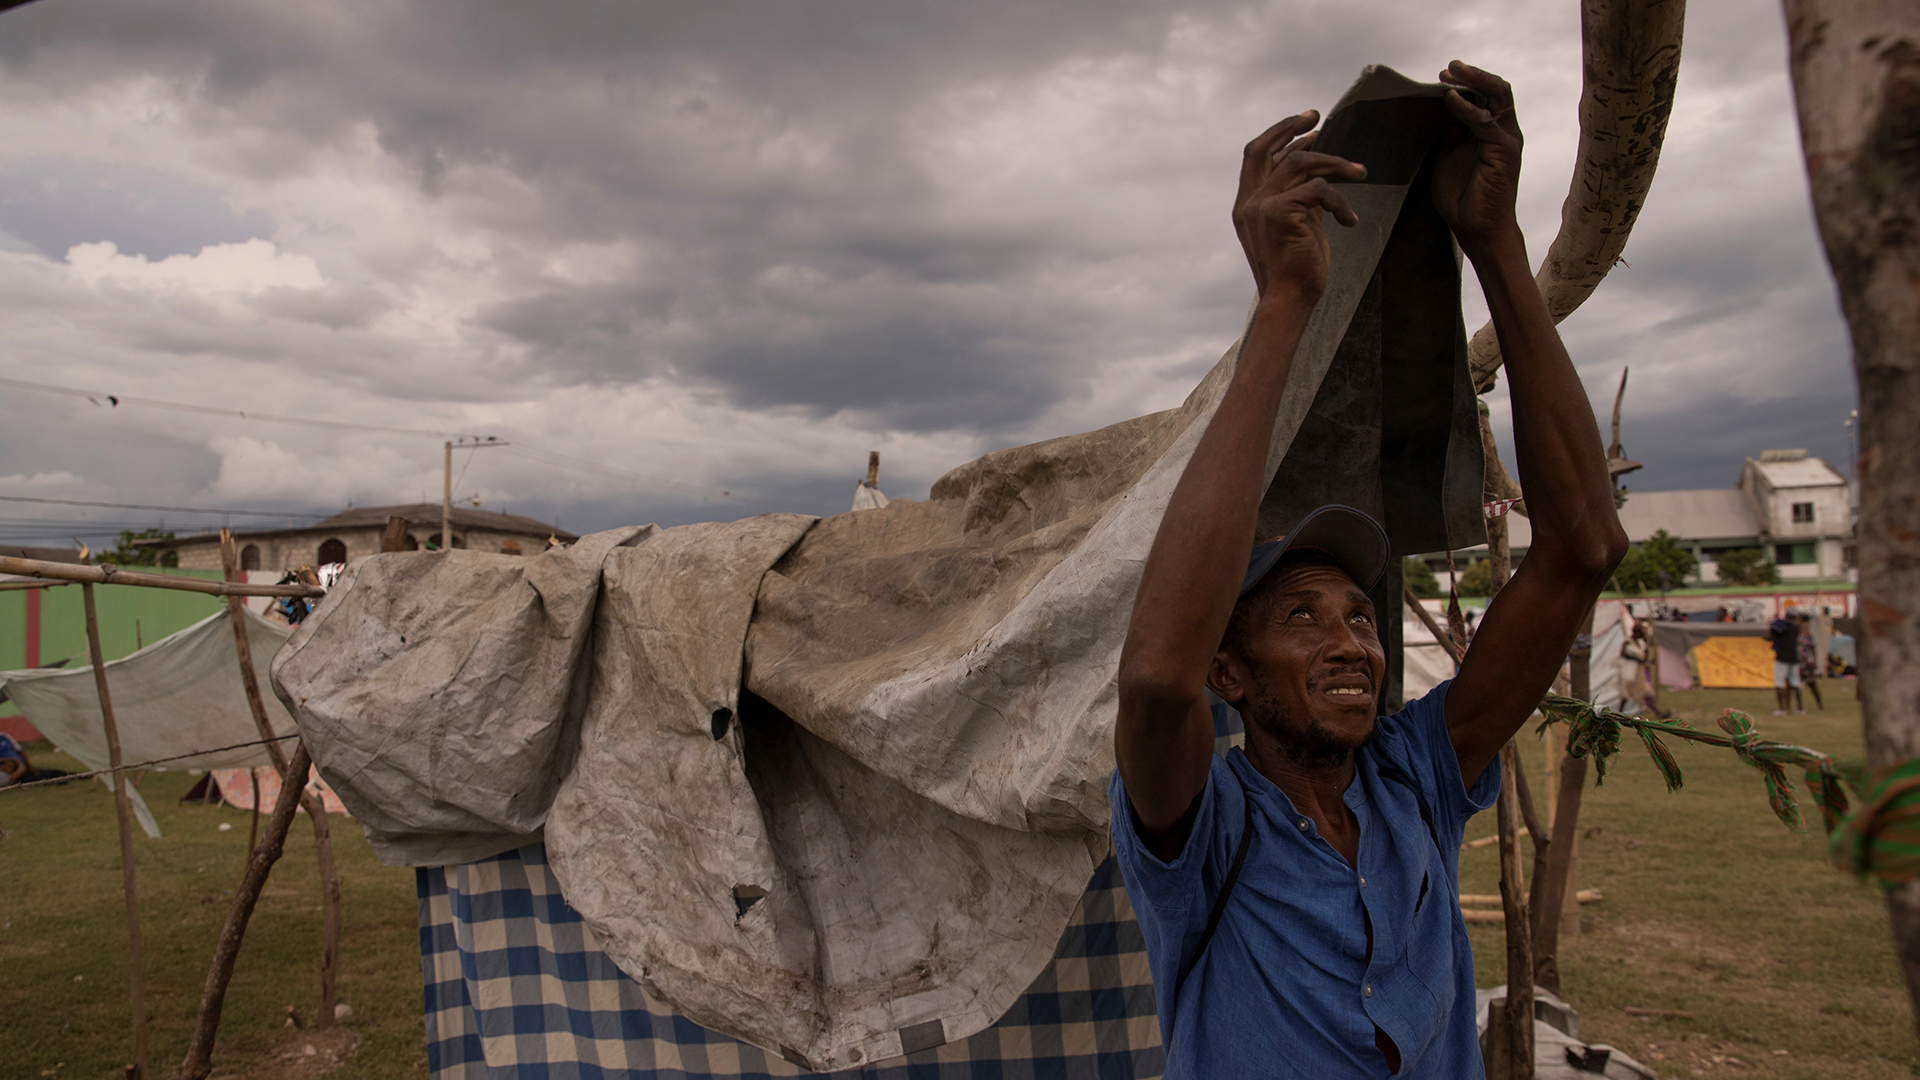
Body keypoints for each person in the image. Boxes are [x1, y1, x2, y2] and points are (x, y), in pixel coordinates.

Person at [1111, 62, 1628, 1078]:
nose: (1352, 638)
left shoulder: (1414, 782)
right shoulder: (1203, 832)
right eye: (1301, 617)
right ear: (1232, 674)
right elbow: (1154, 677)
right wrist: (1285, 303)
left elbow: (1583, 549)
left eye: (1356, 615)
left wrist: (1496, 243)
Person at [1769, 609, 1801, 716]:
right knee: (1795, 683)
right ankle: (1800, 708)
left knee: (1779, 683)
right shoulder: (1796, 628)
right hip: (1794, 658)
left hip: (1782, 657)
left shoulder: (1782, 626)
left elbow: (1772, 634)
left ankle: (1782, 709)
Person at [1794, 611, 1823, 711]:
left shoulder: (1807, 634)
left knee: (1812, 684)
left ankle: (1820, 704)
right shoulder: (1794, 632)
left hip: (1805, 662)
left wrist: (1814, 660)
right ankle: (1799, 706)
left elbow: (1812, 648)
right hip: (1795, 662)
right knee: (1796, 685)